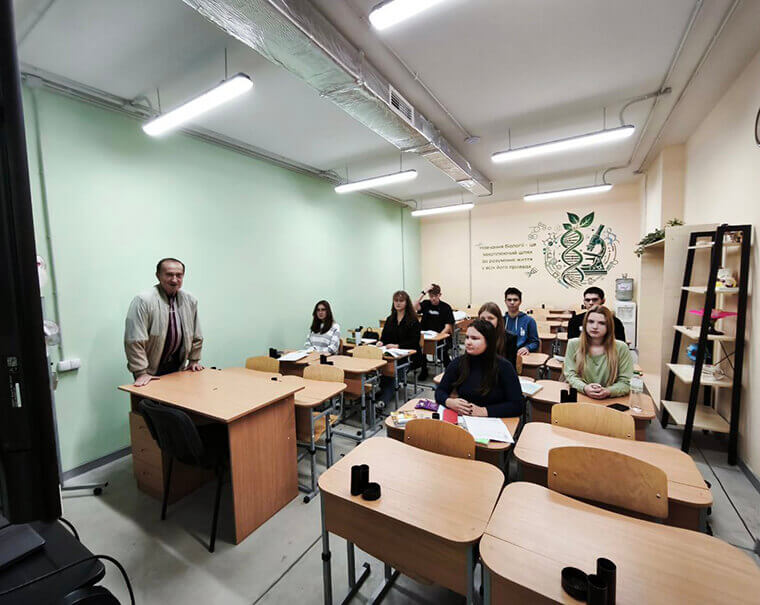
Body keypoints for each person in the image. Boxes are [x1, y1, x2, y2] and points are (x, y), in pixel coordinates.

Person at [124, 258, 203, 387]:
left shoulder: (190, 300)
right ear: (158, 275)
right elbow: (135, 340)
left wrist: (194, 360)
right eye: (169, 274)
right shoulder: (144, 300)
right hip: (150, 371)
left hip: (178, 368)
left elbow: (196, 333)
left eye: (179, 275)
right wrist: (140, 372)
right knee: (151, 400)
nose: (174, 280)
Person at [434, 319, 524, 417]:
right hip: (465, 419)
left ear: (488, 341)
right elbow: (440, 391)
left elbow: (518, 405)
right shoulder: (458, 363)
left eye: (475, 338)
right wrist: (449, 402)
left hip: (495, 420)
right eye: (467, 337)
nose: (468, 342)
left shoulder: (504, 367)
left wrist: (484, 411)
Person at [564, 305, 633, 399]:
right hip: (582, 396)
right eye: (591, 322)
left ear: (609, 326)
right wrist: (584, 388)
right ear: (585, 324)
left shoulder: (621, 347)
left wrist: (609, 391)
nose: (595, 327)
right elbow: (570, 375)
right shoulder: (573, 344)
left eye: (602, 323)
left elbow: (626, 382)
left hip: (610, 400)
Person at [376, 291, 421, 407]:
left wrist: (398, 346)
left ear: (406, 303)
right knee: (385, 372)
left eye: (401, 301)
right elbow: (384, 337)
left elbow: (414, 341)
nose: (398, 303)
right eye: (396, 300)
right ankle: (382, 392)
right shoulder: (390, 319)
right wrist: (381, 342)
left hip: (408, 356)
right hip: (391, 356)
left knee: (394, 374)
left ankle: (382, 402)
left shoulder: (413, 320)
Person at [414, 283, 455, 380]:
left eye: (435, 296)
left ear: (440, 295)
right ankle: (424, 369)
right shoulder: (426, 304)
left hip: (441, 336)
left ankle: (451, 370)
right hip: (425, 335)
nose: (433, 298)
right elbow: (414, 306)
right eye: (431, 296)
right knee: (420, 348)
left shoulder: (446, 307)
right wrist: (424, 292)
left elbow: (448, 327)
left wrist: (438, 337)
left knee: (441, 351)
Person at [477, 302, 517, 367]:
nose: (486, 321)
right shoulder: (474, 336)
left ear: (498, 320)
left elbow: (510, 367)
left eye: (490, 318)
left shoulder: (510, 338)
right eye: (482, 319)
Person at [503, 287, 539, 356]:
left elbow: (535, 342)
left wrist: (527, 348)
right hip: (504, 355)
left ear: (520, 302)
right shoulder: (501, 320)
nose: (512, 302)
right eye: (509, 300)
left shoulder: (529, 321)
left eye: (515, 300)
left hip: (521, 355)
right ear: (505, 302)